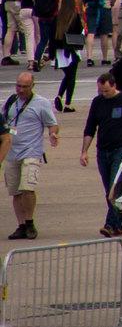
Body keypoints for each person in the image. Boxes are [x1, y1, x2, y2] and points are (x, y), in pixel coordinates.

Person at [80, 70, 122, 236]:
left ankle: (110, 224)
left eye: (106, 91)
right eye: (101, 91)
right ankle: (120, 223)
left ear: (114, 86)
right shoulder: (97, 102)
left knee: (114, 187)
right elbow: (90, 128)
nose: (104, 94)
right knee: (108, 191)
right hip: (103, 150)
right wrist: (84, 151)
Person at [2, 71, 60, 240]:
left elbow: (52, 124)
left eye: (25, 87)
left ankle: (29, 222)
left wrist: (53, 134)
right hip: (11, 153)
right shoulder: (11, 101)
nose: (20, 90)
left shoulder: (41, 103)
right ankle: (20, 225)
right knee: (15, 192)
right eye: (18, 86)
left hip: (31, 151)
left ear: (33, 86)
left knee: (27, 188)